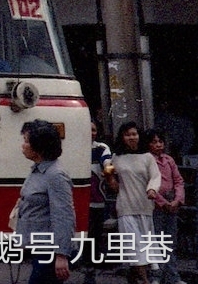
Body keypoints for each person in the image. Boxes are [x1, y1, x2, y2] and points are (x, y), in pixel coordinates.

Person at [15, 119, 76, 283]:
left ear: (39, 147)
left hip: (49, 251)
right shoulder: (38, 170)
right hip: (38, 247)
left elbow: (64, 216)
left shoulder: (55, 175)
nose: (23, 145)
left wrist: (61, 255)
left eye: (26, 141)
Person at [105, 121, 161, 284]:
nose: (131, 137)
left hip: (144, 206)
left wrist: (152, 189)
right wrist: (109, 176)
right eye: (128, 134)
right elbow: (114, 186)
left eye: (134, 134)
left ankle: (139, 276)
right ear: (122, 137)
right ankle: (145, 280)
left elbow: (155, 177)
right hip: (125, 207)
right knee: (134, 246)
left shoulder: (147, 157)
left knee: (146, 245)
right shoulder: (116, 158)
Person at [147, 128, 186, 284]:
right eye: (154, 142)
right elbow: (147, 184)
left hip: (172, 202)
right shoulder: (147, 160)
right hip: (155, 204)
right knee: (156, 240)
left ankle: (172, 276)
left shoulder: (169, 160)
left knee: (170, 241)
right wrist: (163, 202)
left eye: (160, 142)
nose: (158, 145)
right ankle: (157, 276)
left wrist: (177, 199)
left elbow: (178, 181)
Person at [84, 118, 113, 284]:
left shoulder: (101, 148)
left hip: (96, 201)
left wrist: (109, 172)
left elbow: (108, 162)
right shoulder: (72, 147)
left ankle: (90, 272)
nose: (91, 133)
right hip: (76, 202)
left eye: (93, 130)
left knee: (94, 237)